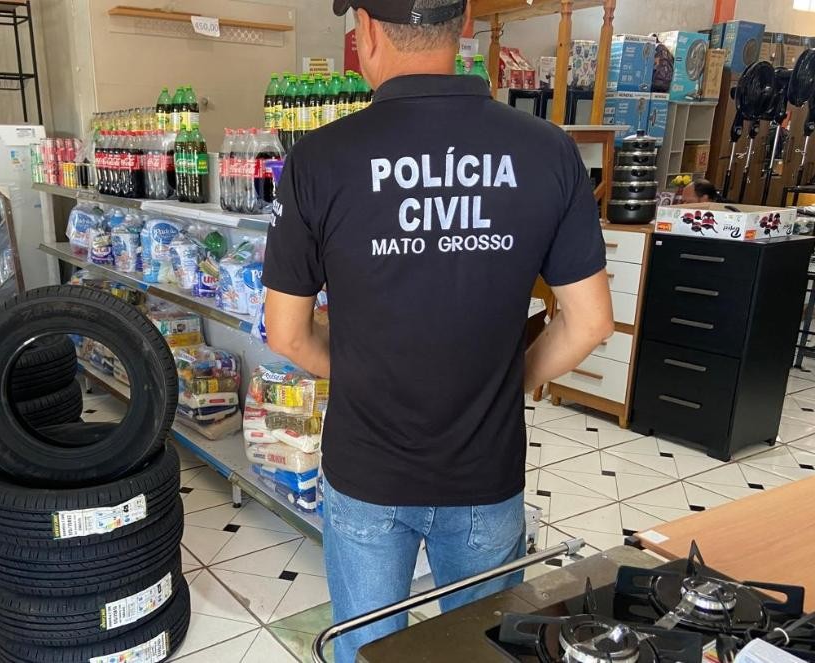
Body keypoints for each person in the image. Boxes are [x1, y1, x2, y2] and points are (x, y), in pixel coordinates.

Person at [261, 1, 615, 660]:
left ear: (366, 30)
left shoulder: (318, 158)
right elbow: (591, 321)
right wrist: (513, 380)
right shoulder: (547, 149)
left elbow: (286, 334)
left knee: (368, 651)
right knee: (480, 652)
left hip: (367, 471)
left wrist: (361, 375)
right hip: (485, 469)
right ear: (466, 26)